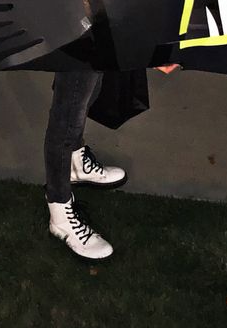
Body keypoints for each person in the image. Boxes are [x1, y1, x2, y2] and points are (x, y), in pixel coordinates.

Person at [44, 65, 179, 260]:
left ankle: (75, 165)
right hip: (78, 38)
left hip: (92, 36)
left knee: (89, 85)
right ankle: (60, 215)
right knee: (69, 107)